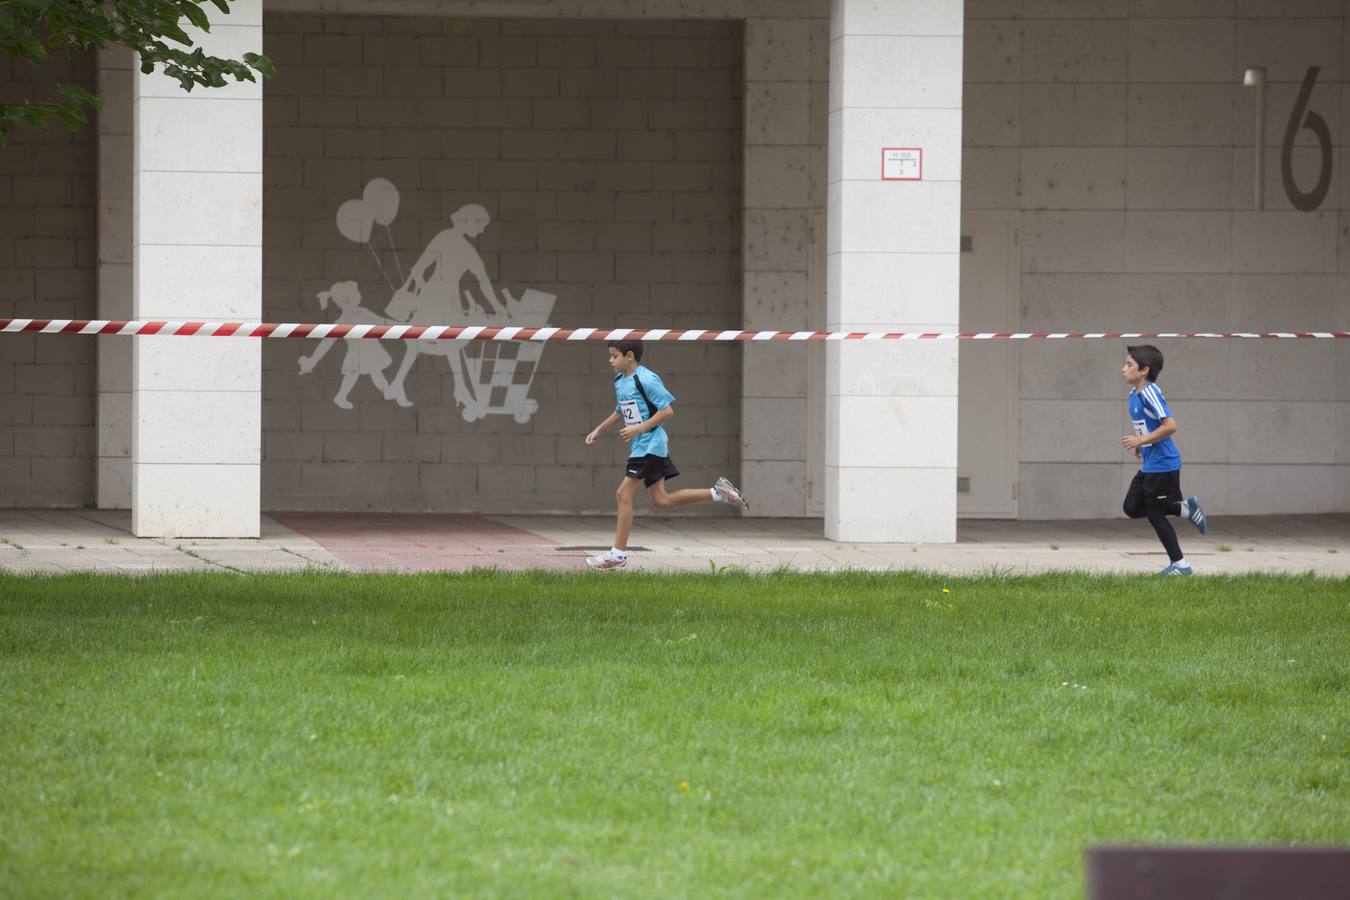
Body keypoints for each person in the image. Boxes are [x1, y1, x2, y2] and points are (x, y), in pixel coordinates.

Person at [583, 340, 748, 571]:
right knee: (662, 500)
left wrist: (639, 429)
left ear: (629, 356)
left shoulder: (647, 379)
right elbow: (621, 410)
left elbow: (667, 411)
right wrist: (598, 429)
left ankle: (617, 555)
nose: (610, 360)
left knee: (623, 494)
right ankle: (718, 493)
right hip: (642, 446)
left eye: (614, 356)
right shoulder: (620, 380)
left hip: (650, 445)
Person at [382, 203, 506, 409]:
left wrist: (428, 293)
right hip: (439, 299)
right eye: (480, 224)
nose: (482, 229)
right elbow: (418, 269)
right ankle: (455, 388)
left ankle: (403, 385)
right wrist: (497, 306)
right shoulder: (452, 241)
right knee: (437, 343)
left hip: (444, 299)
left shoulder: (460, 245)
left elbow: (483, 281)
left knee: (446, 343)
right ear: (470, 220)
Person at [1120, 345, 1207, 576]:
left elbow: (1170, 426)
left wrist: (1140, 441)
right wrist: (1142, 444)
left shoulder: (1150, 393)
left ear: (1144, 370)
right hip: (1150, 463)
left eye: (1129, 365)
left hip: (1164, 464)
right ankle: (1184, 509)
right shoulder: (1133, 396)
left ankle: (1181, 565)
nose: (1123, 369)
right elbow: (1148, 427)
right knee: (1131, 507)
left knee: (1155, 513)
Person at [298, 281, 394, 409]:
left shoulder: (362, 312)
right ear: (346, 301)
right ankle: (341, 396)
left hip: (370, 349)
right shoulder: (342, 322)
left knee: (375, 370)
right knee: (353, 374)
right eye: (353, 296)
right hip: (357, 352)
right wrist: (314, 359)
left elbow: (382, 322)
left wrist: (403, 325)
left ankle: (386, 390)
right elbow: (326, 343)